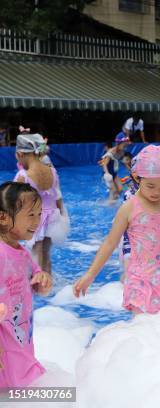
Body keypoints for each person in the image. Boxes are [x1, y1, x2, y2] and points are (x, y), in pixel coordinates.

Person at [73, 145, 160, 314]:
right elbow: (110, 243)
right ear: (137, 177)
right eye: (151, 186)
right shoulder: (129, 208)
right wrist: (90, 275)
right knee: (144, 329)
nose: (157, 191)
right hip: (140, 283)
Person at [0, 182, 52, 387]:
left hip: (20, 336)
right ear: (3, 217)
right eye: (31, 215)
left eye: (39, 214)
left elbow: (36, 280)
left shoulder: (20, 252)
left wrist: (42, 281)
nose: (37, 221)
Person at [14, 134, 64, 274]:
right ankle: (48, 286)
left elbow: (12, 204)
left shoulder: (23, 176)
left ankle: (36, 289)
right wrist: (62, 217)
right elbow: (57, 197)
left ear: (20, 154)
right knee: (46, 256)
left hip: (34, 219)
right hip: (53, 217)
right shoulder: (52, 171)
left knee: (35, 257)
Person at [100, 133, 131, 202]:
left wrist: (130, 170)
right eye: (124, 144)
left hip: (114, 174)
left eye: (126, 145)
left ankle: (113, 201)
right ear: (118, 143)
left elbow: (124, 162)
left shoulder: (122, 152)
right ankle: (108, 204)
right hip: (108, 174)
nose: (125, 146)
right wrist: (107, 173)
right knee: (113, 190)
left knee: (120, 189)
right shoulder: (111, 152)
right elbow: (104, 164)